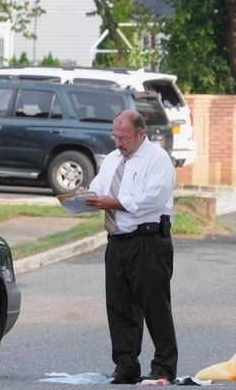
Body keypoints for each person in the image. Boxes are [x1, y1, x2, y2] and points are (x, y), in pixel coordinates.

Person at [78, 110, 178, 385]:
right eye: (115, 137)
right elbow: (98, 188)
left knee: (154, 305)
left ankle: (164, 367)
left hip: (148, 240)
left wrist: (115, 203)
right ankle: (126, 365)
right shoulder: (112, 160)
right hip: (118, 240)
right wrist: (83, 195)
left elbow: (154, 198)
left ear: (140, 134)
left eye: (124, 138)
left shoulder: (157, 159)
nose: (118, 143)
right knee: (119, 306)